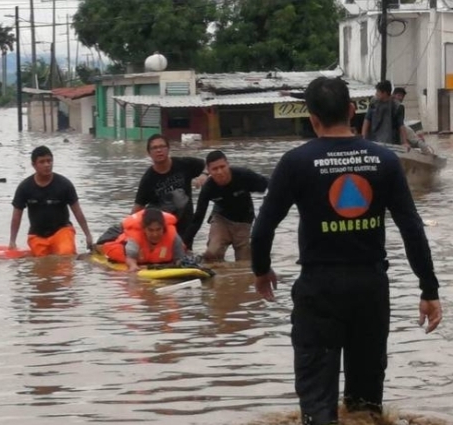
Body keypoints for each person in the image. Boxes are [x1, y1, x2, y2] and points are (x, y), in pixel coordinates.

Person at [250, 76, 442, 425]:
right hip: (370, 287)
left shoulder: (295, 162)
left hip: (319, 290)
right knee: (365, 405)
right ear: (352, 111)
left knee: (318, 405)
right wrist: (429, 289)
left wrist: (261, 270)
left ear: (312, 118)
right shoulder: (384, 160)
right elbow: (411, 227)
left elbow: (262, 228)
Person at [182, 150, 268, 262]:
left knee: (245, 264)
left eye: (222, 167)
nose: (220, 172)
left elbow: (269, 185)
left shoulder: (243, 175)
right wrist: (185, 243)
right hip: (221, 220)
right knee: (212, 254)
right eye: (215, 169)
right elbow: (198, 218)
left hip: (244, 222)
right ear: (208, 171)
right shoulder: (208, 188)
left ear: (228, 164)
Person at [9, 145, 93, 257]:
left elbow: (77, 212)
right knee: (41, 264)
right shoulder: (25, 187)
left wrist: (88, 235)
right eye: (42, 162)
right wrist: (12, 241)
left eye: (49, 161)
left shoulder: (64, 185)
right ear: (34, 165)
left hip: (62, 231)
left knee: (66, 255)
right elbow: (16, 217)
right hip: (37, 234)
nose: (47, 165)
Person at [133, 134, 207, 239]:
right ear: (149, 153)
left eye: (162, 146)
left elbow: (210, 163)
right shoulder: (148, 179)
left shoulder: (184, 164)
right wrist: (128, 230)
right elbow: (138, 208)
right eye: (154, 148)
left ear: (168, 149)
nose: (159, 150)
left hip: (186, 226)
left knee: (185, 253)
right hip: (161, 230)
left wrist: (204, 174)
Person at [98, 208, 186, 272]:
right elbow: (130, 258)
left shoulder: (173, 236)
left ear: (163, 228)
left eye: (158, 229)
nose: (155, 234)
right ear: (144, 229)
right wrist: (133, 266)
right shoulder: (136, 237)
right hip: (119, 230)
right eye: (151, 230)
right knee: (100, 246)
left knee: (183, 247)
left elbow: (180, 259)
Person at [361, 80, 409, 148]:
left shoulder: (397, 106)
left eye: (378, 91)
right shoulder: (374, 103)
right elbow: (367, 120)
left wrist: (405, 142)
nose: (376, 94)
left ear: (385, 93)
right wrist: (363, 137)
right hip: (374, 140)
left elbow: (401, 125)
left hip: (391, 142)